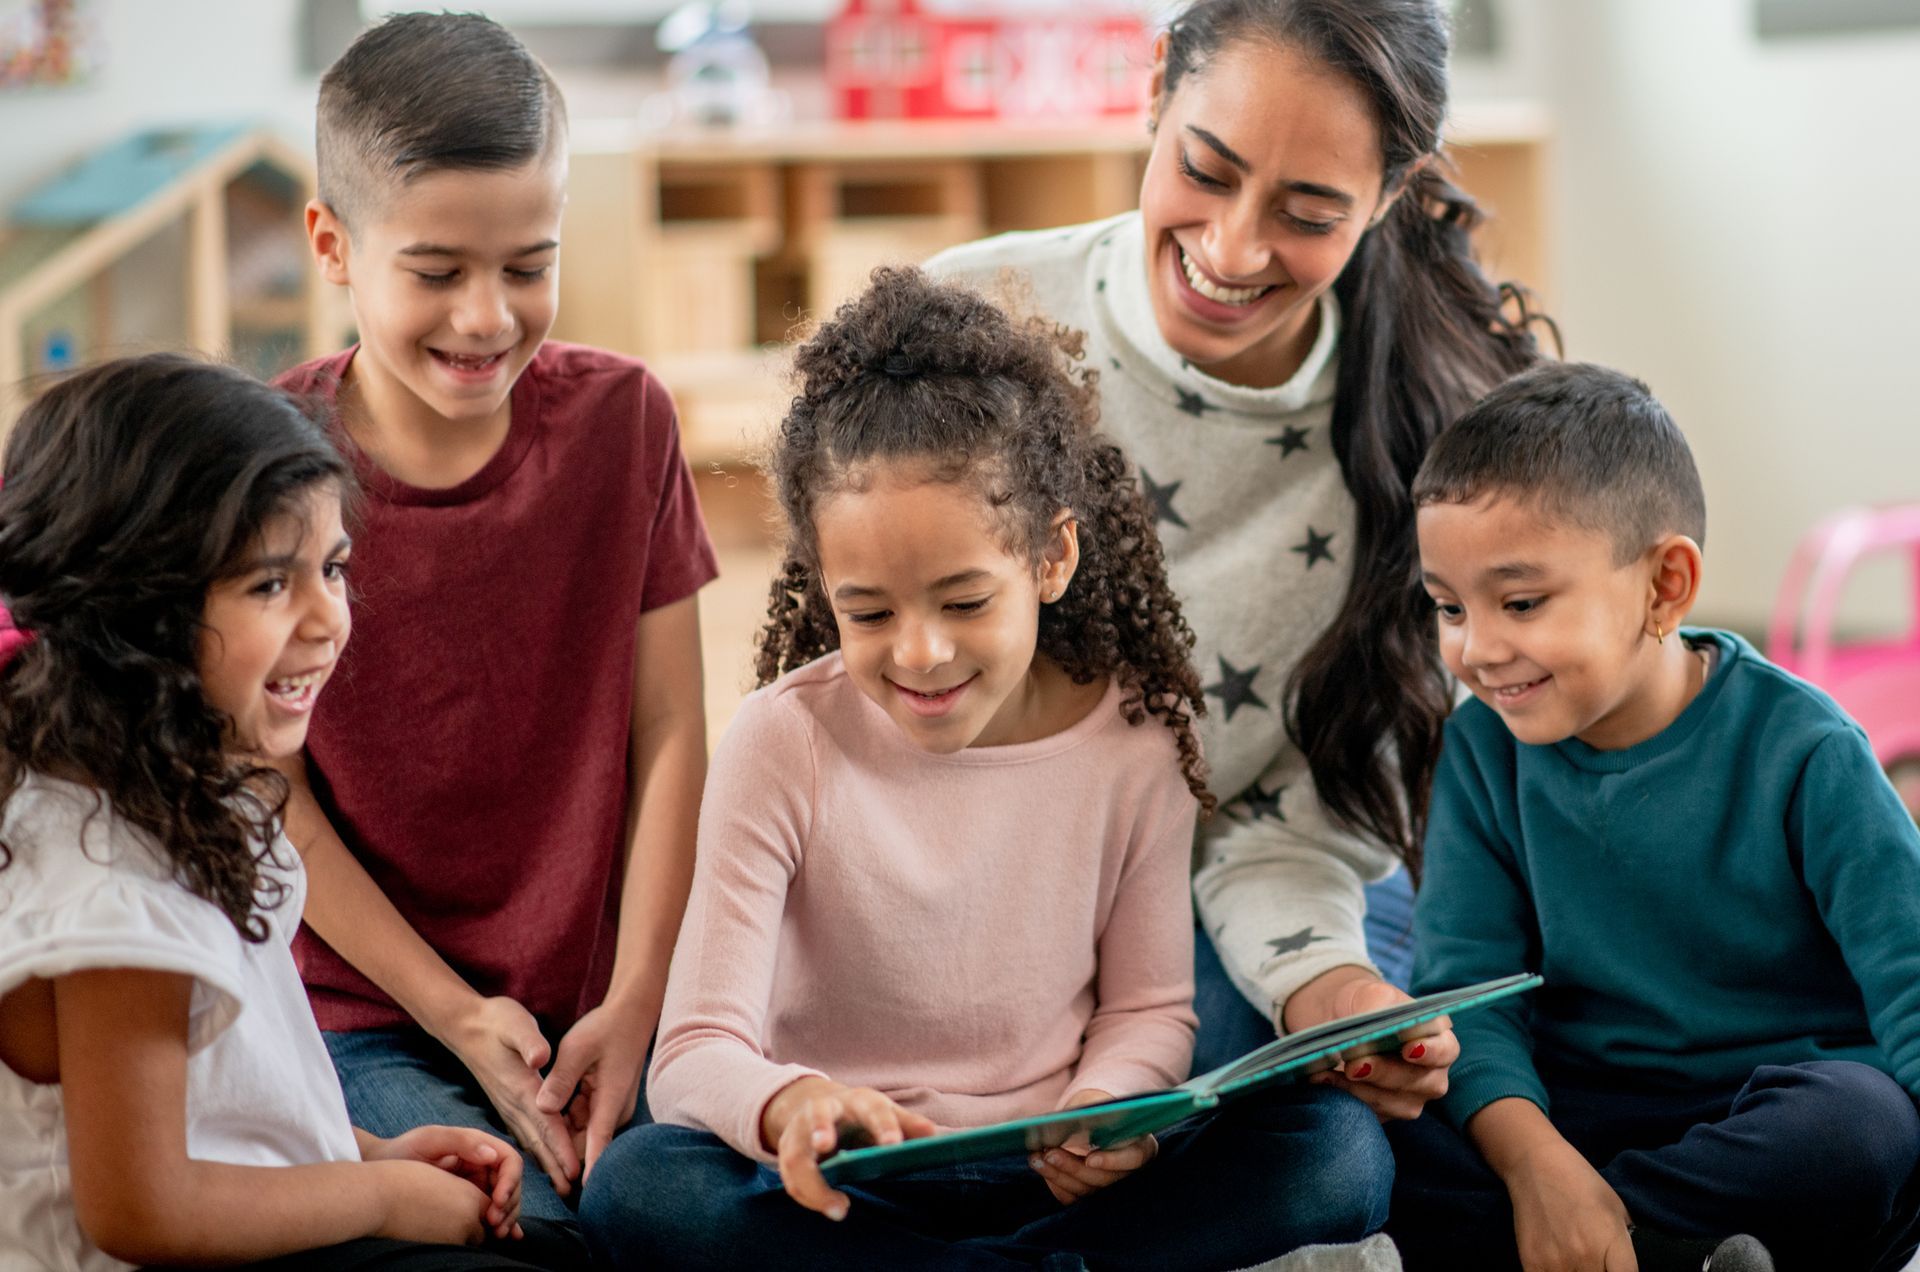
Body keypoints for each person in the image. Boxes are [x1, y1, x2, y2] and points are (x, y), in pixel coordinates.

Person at [577, 268, 1393, 1269]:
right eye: (869, 612)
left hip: (1051, 1175)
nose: (919, 652)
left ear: (1051, 558)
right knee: (640, 1188)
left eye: (965, 602)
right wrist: (792, 1104)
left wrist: (1105, 1106)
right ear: (823, 585)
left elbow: (1148, 1011)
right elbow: (696, 1052)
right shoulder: (780, 739)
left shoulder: (1138, 735)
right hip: (848, 1185)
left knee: (1338, 1157)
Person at [927, 0, 1552, 1101]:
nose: (1231, 250)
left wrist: (1331, 992)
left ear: (1389, 197)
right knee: (668, 1181)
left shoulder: (1423, 441)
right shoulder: (962, 324)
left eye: (1309, 213)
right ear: (1159, 80)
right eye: (1206, 172)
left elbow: (1289, 830)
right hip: (934, 926)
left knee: (1335, 1150)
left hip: (1212, 928)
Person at [272, 10, 719, 1240]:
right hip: (370, 1013)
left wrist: (637, 998)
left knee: (678, 1208)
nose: (486, 319)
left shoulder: (626, 418)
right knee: (513, 1229)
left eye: (528, 264)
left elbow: (675, 731)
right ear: (333, 245)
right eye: (436, 272)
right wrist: (457, 1014)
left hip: (606, 998)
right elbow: (267, 786)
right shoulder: (260, 462)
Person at [0, 354, 557, 1271]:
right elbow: (142, 1208)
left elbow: (222, 1104)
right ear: (135, 608)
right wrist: (379, 1195)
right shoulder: (109, 883)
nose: (327, 617)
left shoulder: (186, 785)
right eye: (269, 584)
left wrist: (367, 1152)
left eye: (331, 567)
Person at [1389, 362, 1920, 1272]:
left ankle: (1604, 1236)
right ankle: (1663, 1248)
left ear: (1666, 587)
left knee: (1862, 1131)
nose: (1476, 650)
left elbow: (1911, 983)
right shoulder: (1482, 749)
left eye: (1520, 603)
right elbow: (1466, 993)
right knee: (1375, 1133)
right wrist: (1539, 1164)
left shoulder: (1806, 749)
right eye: (1448, 607)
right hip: (1571, 1115)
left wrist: (1582, 1195)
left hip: (1764, 1116)